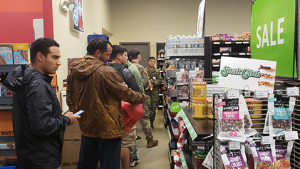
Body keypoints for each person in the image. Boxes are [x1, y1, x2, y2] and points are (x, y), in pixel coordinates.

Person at [66, 38, 146, 169]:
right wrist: (141, 97)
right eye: (108, 55)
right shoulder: (106, 72)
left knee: (86, 163)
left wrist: (81, 115)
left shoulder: (73, 72)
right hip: (108, 127)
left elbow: (70, 98)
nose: (109, 58)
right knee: (110, 165)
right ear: (98, 53)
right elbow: (125, 93)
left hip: (87, 126)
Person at [3, 37, 80, 169]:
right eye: (54, 57)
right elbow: (41, 126)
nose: (59, 63)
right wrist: (66, 120)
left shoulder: (26, 80)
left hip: (30, 156)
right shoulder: (38, 85)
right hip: (42, 159)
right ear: (40, 56)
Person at [108, 45, 139, 169]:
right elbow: (135, 91)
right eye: (126, 55)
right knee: (124, 143)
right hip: (124, 111)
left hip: (108, 112)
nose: (128, 58)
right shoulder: (125, 71)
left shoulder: (104, 69)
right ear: (119, 56)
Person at [129, 48, 159, 148]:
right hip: (140, 96)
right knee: (145, 118)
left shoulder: (126, 67)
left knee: (129, 118)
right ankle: (150, 140)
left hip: (128, 96)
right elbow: (145, 83)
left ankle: (130, 142)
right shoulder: (141, 68)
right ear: (139, 56)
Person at [145, 57, 162, 129]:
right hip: (147, 92)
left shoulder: (157, 71)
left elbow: (160, 80)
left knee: (153, 108)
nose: (152, 62)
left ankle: (151, 122)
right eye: (150, 61)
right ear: (148, 62)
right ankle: (146, 123)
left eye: (153, 61)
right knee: (146, 108)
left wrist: (153, 83)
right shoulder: (145, 70)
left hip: (154, 92)